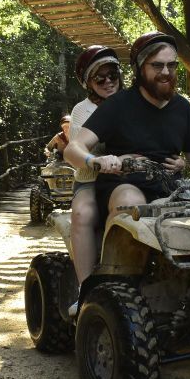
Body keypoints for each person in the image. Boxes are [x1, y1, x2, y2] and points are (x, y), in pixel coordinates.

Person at [65, 31, 190, 227]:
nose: (166, 72)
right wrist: (96, 161)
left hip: (173, 189)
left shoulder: (182, 107)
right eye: (157, 65)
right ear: (140, 68)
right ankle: (116, 257)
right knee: (130, 204)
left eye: (172, 65)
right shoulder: (117, 104)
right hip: (127, 185)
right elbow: (73, 148)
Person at [67, 45, 123, 284]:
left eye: (113, 75)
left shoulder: (135, 102)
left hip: (132, 177)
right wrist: (97, 160)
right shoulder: (83, 110)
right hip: (92, 178)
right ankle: (86, 288)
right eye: (100, 78)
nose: (108, 82)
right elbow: (78, 148)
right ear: (88, 82)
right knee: (82, 213)